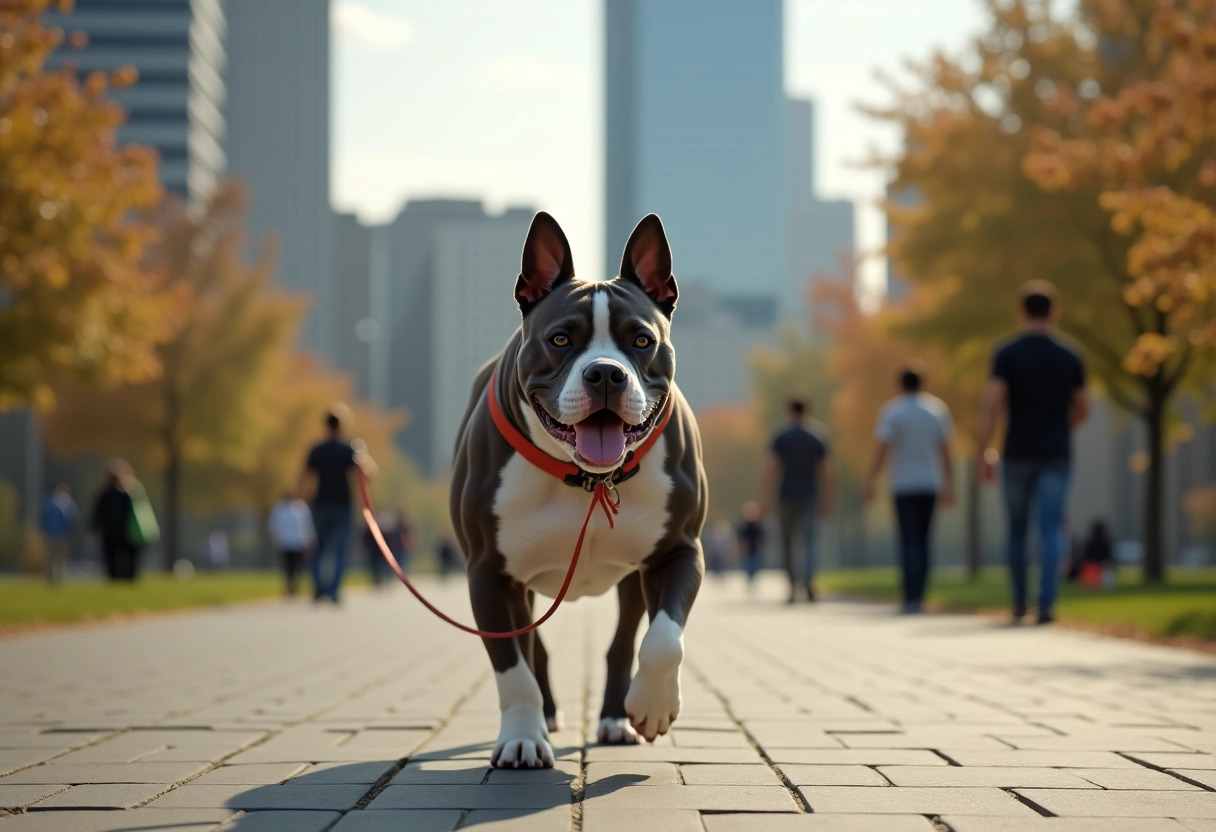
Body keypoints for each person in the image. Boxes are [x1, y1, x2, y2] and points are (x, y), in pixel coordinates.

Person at [979, 281, 1088, 625]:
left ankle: (1018, 602)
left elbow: (993, 405)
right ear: (1054, 313)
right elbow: (1083, 408)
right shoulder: (1070, 355)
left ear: (1021, 313)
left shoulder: (1006, 354)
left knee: (1016, 529)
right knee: (1051, 528)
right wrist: (1062, 425)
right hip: (1057, 452)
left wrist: (984, 450)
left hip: (1017, 452)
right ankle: (1046, 604)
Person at [862, 366, 955, 614]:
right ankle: (920, 595)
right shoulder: (936, 410)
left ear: (900, 384)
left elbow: (882, 449)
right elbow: (945, 451)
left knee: (908, 540)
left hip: (903, 484)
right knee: (924, 540)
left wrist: (870, 480)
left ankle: (909, 595)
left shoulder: (893, 412)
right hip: (930, 483)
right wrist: (949, 484)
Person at [298, 407, 377, 603]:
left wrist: (301, 499)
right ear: (342, 426)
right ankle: (333, 590)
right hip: (342, 506)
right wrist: (363, 454)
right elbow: (369, 474)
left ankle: (319, 589)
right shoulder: (350, 448)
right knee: (341, 550)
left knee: (319, 549)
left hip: (320, 505)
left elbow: (303, 477)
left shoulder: (316, 449)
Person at [758, 399, 834, 603]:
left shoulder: (782, 436)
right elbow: (825, 470)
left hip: (786, 496)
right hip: (809, 496)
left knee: (787, 543)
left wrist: (764, 498)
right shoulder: (817, 436)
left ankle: (792, 586)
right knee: (809, 542)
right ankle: (808, 581)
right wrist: (827, 498)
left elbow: (771, 468)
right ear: (807, 411)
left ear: (790, 411)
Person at [91, 463, 139, 581]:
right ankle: (129, 577)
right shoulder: (128, 495)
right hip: (127, 531)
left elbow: (97, 515)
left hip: (109, 532)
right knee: (129, 556)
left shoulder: (104, 495)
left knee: (111, 557)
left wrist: (94, 530)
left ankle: (114, 578)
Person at [268, 493, 315, 597]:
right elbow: (273, 525)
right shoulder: (279, 508)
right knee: (288, 566)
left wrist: (309, 540)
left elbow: (307, 525)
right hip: (285, 543)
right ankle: (289, 586)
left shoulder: (301, 507)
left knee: (297, 565)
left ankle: (295, 585)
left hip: (298, 542)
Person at [38, 484, 78, 585]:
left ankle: (59, 578)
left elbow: (73, 521)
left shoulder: (69, 504)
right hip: (50, 534)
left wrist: (71, 534)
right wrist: (43, 531)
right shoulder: (49, 503)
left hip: (63, 535)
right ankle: (50, 579)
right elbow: (42, 518)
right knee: (50, 558)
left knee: (60, 558)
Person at [736, 500, 765, 589]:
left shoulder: (758, 526)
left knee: (755, 565)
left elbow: (761, 538)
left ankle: (753, 578)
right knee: (748, 565)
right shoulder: (744, 526)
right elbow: (742, 539)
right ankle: (749, 579)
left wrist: (761, 547)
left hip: (755, 550)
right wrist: (741, 548)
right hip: (748, 550)